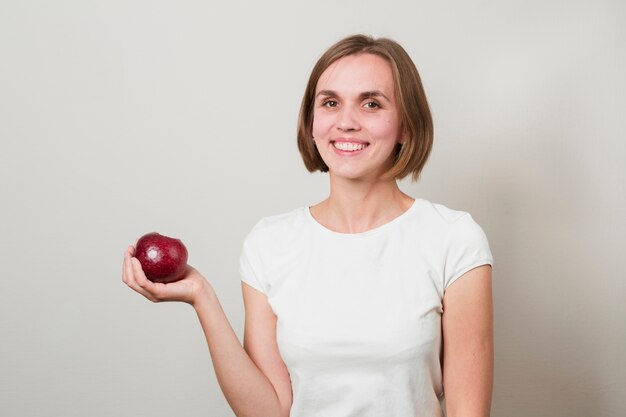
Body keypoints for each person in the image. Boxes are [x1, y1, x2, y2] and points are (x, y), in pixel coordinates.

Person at [122, 34, 493, 417]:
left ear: (406, 126)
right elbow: (270, 411)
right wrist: (201, 296)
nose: (346, 122)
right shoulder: (269, 243)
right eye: (330, 103)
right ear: (312, 123)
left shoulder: (454, 240)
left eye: (371, 103)